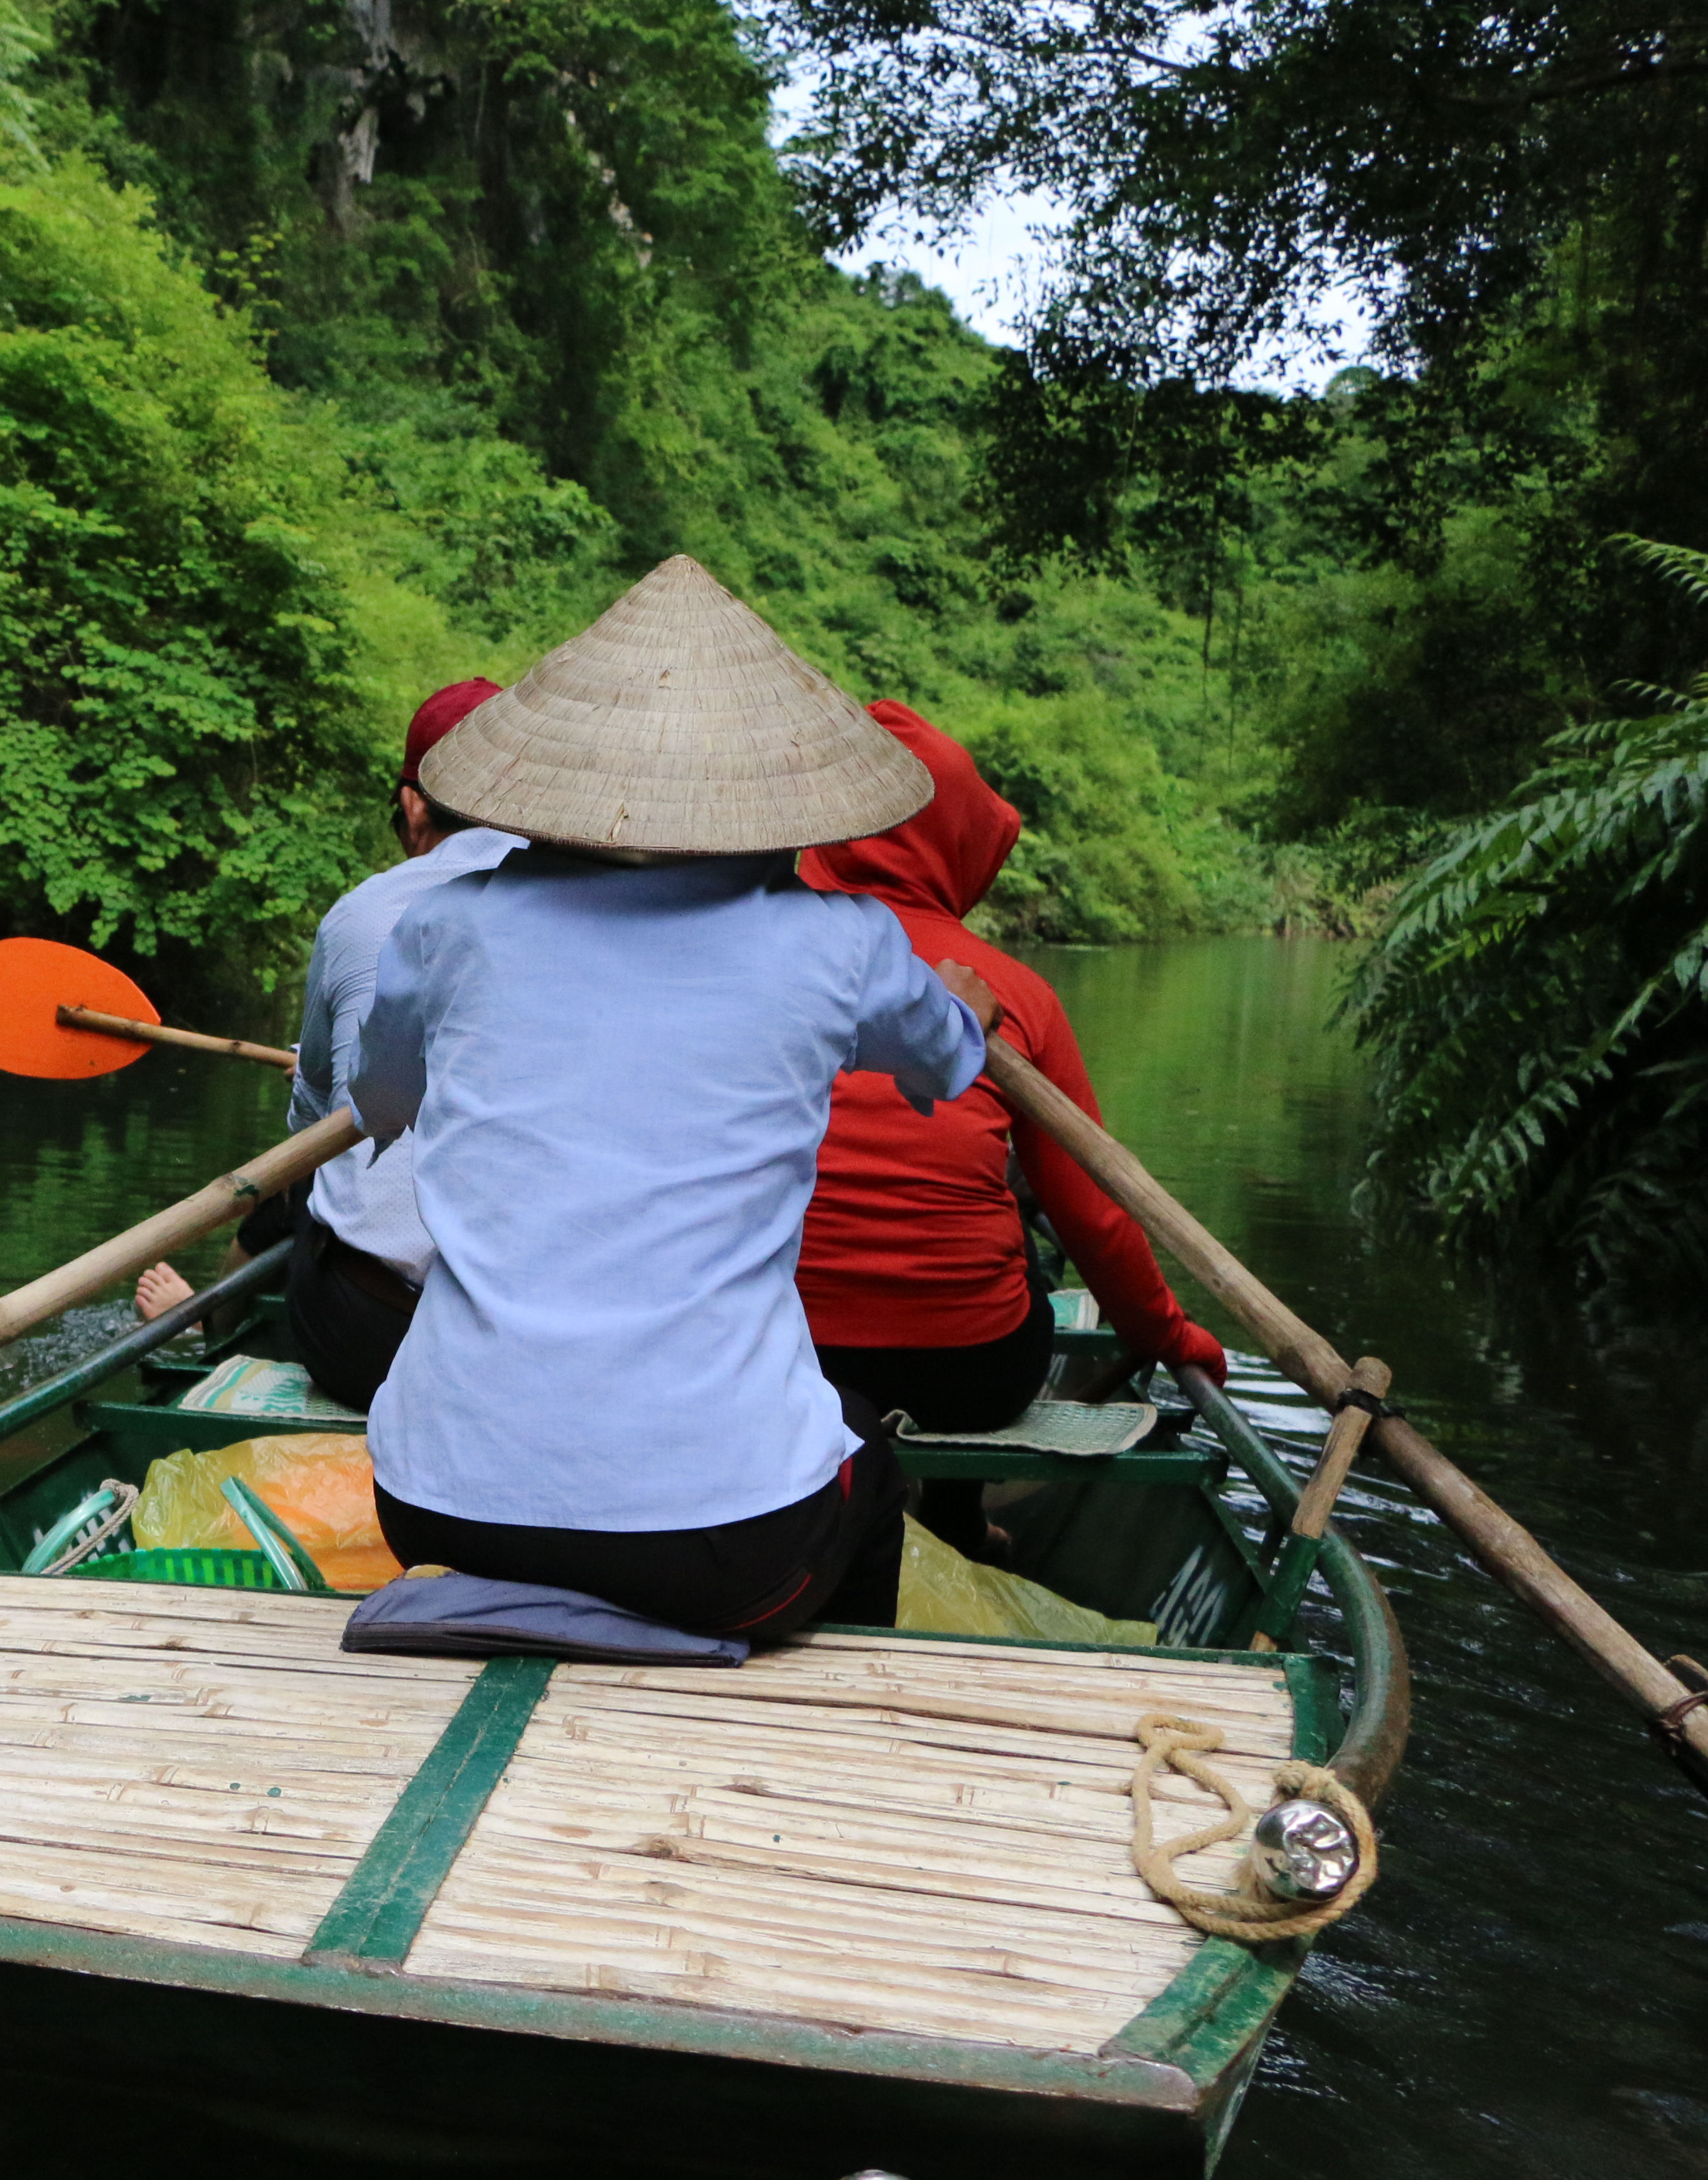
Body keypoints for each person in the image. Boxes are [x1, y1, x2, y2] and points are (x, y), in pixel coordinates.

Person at [352, 556, 1007, 1640]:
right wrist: (966, 1008)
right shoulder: (836, 941)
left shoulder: (447, 925)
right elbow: (944, 1065)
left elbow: (379, 1105)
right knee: (866, 1459)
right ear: (780, 805)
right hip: (726, 1549)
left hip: (434, 1500)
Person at [796, 702, 1228, 1557]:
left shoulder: (756, 962)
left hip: (781, 1356)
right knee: (1022, 1249)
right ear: (958, 843)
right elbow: (1096, 1216)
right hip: (970, 1373)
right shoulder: (1014, 992)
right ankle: (956, 1514)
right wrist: (1170, 1337)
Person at [131, 679, 524, 1410]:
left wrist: (335, 1089)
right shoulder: (597, 914)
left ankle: (215, 1321)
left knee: (308, 1167)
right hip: (536, 1345)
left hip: (370, 1342)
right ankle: (214, 1315)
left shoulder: (366, 911)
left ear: (413, 805)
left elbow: (312, 1121)